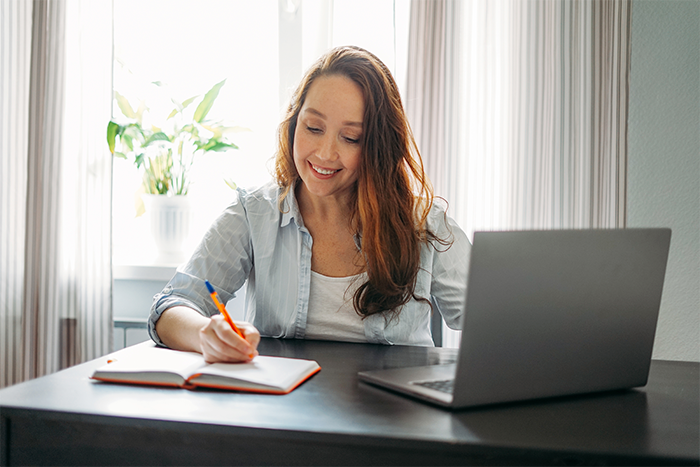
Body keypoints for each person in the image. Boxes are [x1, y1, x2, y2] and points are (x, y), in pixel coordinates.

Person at [148, 45, 471, 363]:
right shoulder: (253, 212)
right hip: (282, 407)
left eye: (351, 138)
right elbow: (172, 306)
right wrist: (206, 333)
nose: (325, 154)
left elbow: (495, 323)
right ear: (293, 123)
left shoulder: (424, 223)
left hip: (393, 412)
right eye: (313, 128)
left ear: (378, 146)